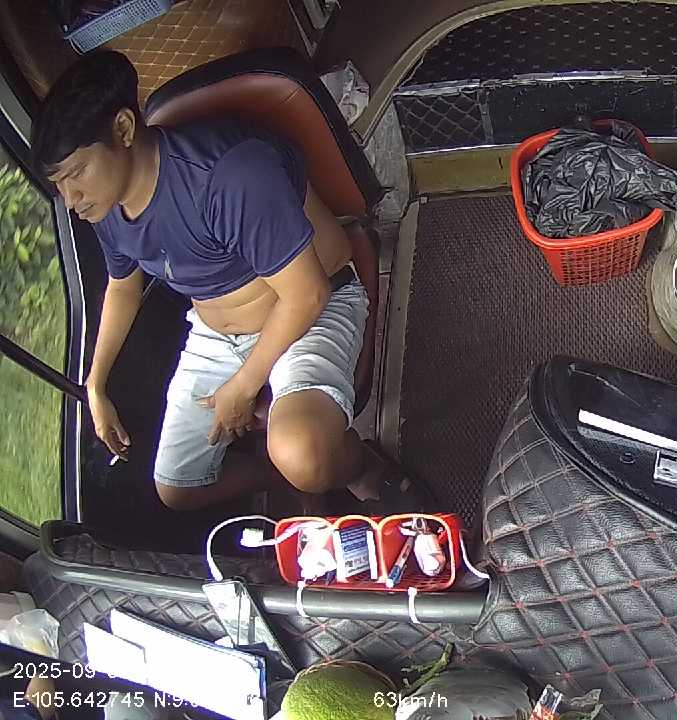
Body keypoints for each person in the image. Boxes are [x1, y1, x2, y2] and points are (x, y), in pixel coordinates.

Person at [32, 51, 419, 512]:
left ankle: (361, 469)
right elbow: (122, 287)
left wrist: (244, 385)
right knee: (177, 488)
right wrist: (95, 385)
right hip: (217, 335)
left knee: (303, 453)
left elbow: (308, 293)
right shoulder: (107, 208)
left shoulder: (226, 174)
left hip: (311, 309)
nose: (71, 199)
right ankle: (289, 475)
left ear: (123, 129)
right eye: (60, 184)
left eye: (77, 173)